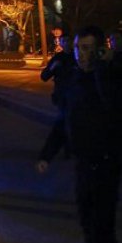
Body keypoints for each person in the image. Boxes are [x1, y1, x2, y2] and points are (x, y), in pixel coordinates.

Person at [37, 26, 122, 243]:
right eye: (78, 48)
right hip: (84, 164)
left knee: (102, 228)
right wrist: (46, 155)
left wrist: (103, 67)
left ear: (100, 50)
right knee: (87, 222)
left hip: (107, 164)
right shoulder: (73, 81)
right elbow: (63, 121)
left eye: (88, 48)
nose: (82, 54)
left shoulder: (110, 78)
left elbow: (113, 104)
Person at [37, 35, 75, 166]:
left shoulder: (77, 57)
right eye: (64, 41)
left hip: (76, 96)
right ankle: (67, 148)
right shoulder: (58, 58)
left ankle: (71, 147)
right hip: (62, 97)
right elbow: (44, 76)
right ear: (61, 43)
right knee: (64, 122)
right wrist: (53, 68)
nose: (67, 44)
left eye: (69, 41)